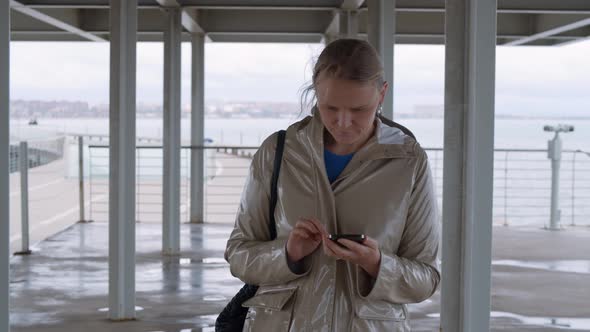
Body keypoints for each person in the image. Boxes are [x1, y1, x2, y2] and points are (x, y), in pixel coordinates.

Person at [224, 38, 440, 332]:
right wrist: (288, 253)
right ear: (316, 95)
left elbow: (426, 278)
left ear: (382, 95)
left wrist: (377, 264)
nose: (343, 122)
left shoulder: (409, 160)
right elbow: (238, 255)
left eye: (359, 109)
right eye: (330, 107)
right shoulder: (278, 152)